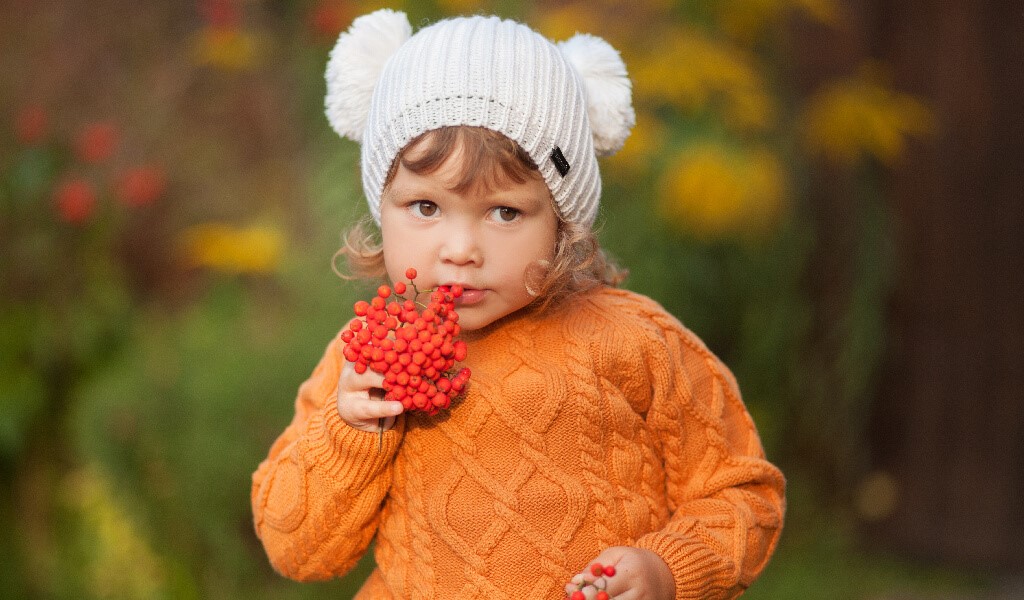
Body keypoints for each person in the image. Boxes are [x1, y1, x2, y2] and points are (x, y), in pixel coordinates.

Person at [251, 9, 785, 599]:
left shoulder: (637, 342)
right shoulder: (362, 366)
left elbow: (743, 495)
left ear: (562, 224)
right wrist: (351, 428)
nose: (460, 251)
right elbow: (293, 547)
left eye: (505, 212)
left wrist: (666, 572)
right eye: (425, 208)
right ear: (382, 207)